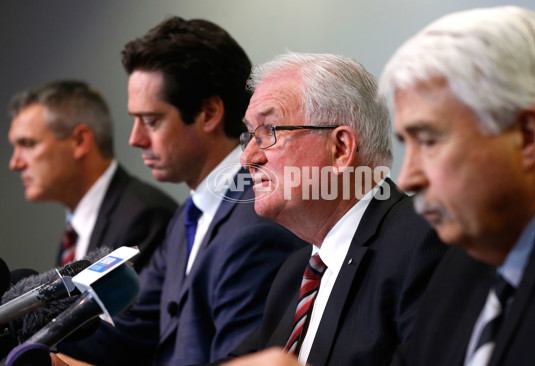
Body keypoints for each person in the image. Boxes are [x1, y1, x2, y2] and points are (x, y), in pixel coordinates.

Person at [56, 17, 305, 366]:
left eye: (152, 121)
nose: (135, 139)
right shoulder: (189, 216)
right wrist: (31, 345)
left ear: (208, 113)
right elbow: (129, 330)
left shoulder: (256, 223)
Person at [378, 5, 535, 366]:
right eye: (407, 143)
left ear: (528, 137)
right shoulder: (462, 265)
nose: (407, 179)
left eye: (429, 141)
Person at [209, 52, 446, 366]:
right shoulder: (295, 272)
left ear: (340, 149)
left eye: (268, 132)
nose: (248, 158)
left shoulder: (423, 239)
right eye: (249, 136)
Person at [8, 80, 177, 271]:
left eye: (28, 144)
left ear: (80, 141)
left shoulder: (144, 217)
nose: (15, 163)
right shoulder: (74, 231)